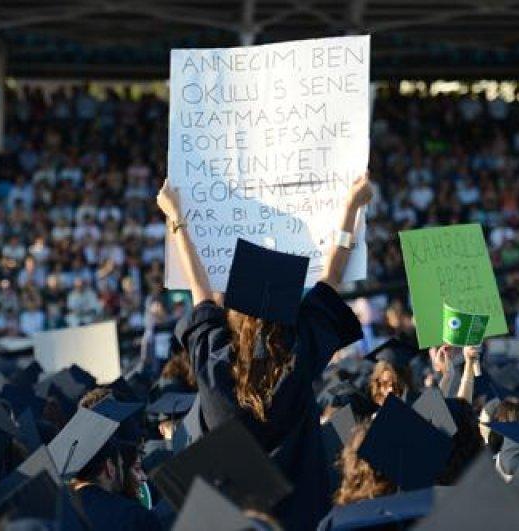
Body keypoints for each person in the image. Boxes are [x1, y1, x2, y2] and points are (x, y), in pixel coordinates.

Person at [159, 173, 373, 530]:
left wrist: (176, 216)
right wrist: (352, 206)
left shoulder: (213, 363)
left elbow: (201, 293)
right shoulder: (297, 357)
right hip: (301, 519)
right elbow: (332, 276)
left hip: (237, 522)